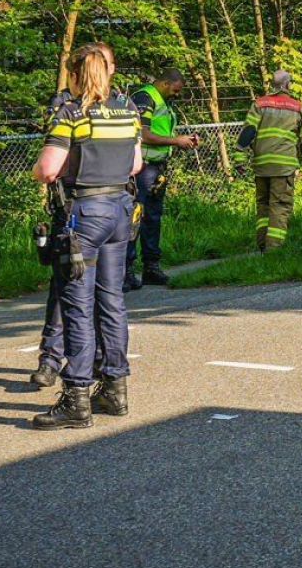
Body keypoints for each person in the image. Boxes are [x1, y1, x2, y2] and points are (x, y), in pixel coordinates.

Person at [29, 44, 142, 429]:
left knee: (77, 304)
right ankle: (114, 388)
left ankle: (76, 396)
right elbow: (137, 163)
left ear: (75, 76)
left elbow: (47, 169)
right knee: (112, 301)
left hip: (84, 214)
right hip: (119, 211)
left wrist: (45, 168)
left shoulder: (71, 113)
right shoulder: (128, 109)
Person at [30, 41, 117, 388]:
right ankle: (51, 358)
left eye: (108, 64)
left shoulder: (121, 105)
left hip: (106, 205)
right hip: (74, 205)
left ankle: (98, 362)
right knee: (65, 286)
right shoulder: (66, 106)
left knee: (105, 293)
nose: (105, 70)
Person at [126, 68, 199, 289]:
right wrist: (176, 141)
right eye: (176, 89)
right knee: (135, 217)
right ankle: (126, 269)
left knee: (153, 216)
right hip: (142, 168)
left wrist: (182, 141)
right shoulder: (144, 98)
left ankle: (151, 267)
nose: (177, 94)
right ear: (166, 83)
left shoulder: (164, 102)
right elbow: (143, 134)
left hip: (157, 168)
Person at [238, 70, 302, 250]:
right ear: (287, 85)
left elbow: (247, 133)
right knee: (280, 207)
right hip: (284, 168)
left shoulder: (260, 104)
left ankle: (262, 247)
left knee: (263, 207)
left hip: (261, 166)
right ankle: (274, 251)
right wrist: (298, 161)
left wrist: (239, 159)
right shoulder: (296, 106)